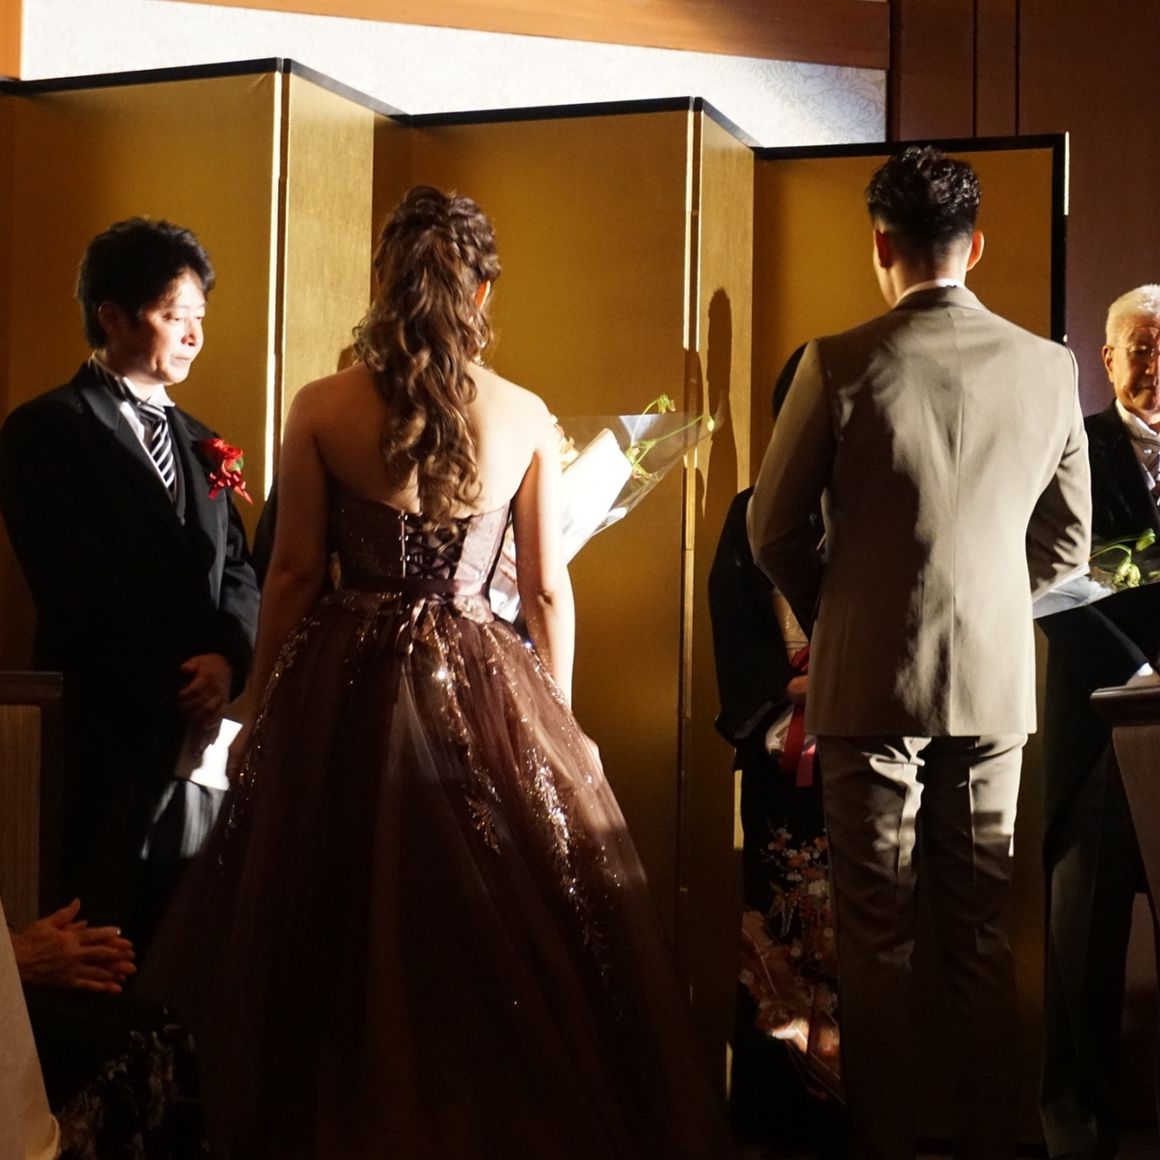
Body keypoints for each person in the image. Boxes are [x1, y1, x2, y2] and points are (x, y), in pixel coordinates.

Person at [141, 186, 734, 1158]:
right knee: (483, 928)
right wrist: (559, 724)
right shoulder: (524, 414)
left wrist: (262, 704)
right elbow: (545, 590)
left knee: (336, 926)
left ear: (383, 283)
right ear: (483, 292)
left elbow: (292, 574)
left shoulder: (322, 405)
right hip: (481, 672)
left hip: (347, 679)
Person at [747, 146, 1092, 1160]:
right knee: (981, 934)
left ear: (879, 244)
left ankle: (890, 1144)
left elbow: (772, 531)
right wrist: (989, 603)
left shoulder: (836, 361)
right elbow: (1068, 543)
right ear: (975, 246)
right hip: (991, 685)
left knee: (876, 938)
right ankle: (999, 1141)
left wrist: (844, 608)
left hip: (866, 686)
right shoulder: (1048, 368)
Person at [0, 218, 261, 952]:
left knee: (189, 932)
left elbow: (237, 568)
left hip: (197, 736)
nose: (194, 336)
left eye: (200, 317)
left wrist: (227, 660)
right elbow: (73, 582)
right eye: (174, 316)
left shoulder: (201, 439)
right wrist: (178, 680)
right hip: (104, 724)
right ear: (112, 315)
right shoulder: (46, 429)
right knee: (103, 928)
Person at [1037, 285, 1160, 1159]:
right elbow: (1051, 584)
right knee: (1084, 951)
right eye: (1141, 347)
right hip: (1102, 731)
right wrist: (1140, 674)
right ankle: (1076, 1134)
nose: (1156, 363)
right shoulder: (1072, 448)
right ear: (1109, 359)